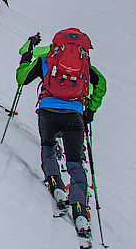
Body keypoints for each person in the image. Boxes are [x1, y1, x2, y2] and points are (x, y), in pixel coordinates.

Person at [15, 29, 106, 234]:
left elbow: (22, 79)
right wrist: (90, 109)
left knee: (48, 146)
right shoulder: (84, 64)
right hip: (74, 115)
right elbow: (102, 84)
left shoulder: (46, 58)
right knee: (75, 162)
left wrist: (25, 59)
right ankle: (80, 211)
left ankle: (55, 183)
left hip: (48, 112)